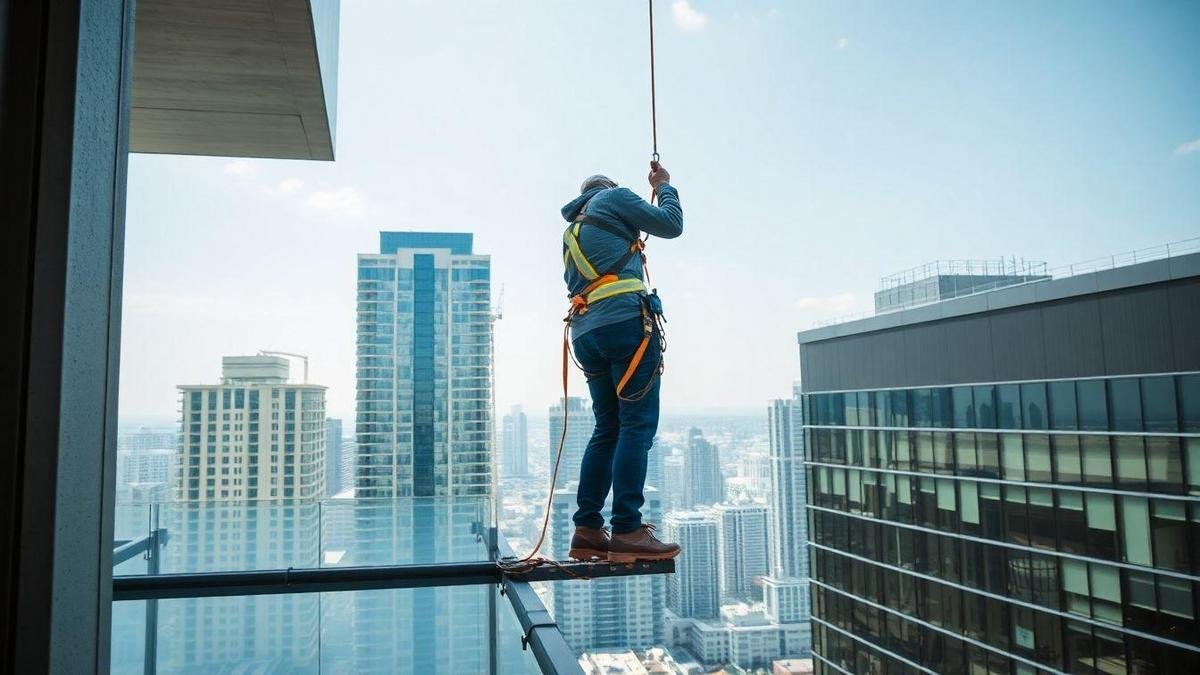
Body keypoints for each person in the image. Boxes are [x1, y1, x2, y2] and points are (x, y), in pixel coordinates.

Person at [559, 160, 683, 564]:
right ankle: (628, 529)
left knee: (607, 427)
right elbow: (670, 223)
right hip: (625, 324)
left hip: (585, 331)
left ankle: (588, 530)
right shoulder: (614, 198)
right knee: (636, 425)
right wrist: (664, 185)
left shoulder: (571, 230)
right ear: (608, 188)